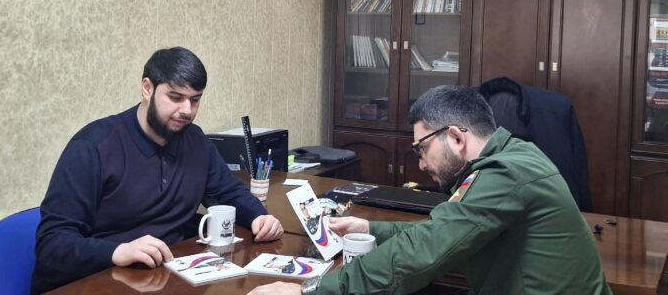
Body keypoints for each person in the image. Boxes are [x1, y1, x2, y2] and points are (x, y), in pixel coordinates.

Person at [249, 85, 610, 295]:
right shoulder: (513, 156)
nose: (421, 163)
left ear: (455, 137)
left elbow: (423, 252)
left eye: (421, 148)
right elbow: (445, 231)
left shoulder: (505, 174)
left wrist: (311, 291)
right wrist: (370, 228)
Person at [32, 47, 284, 294]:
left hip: (164, 276)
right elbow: (52, 242)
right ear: (147, 88)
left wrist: (258, 217)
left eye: (195, 100)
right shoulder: (92, 147)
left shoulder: (195, 141)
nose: (187, 110)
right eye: (175, 97)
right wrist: (118, 251)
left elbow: (227, 191)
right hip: (95, 281)